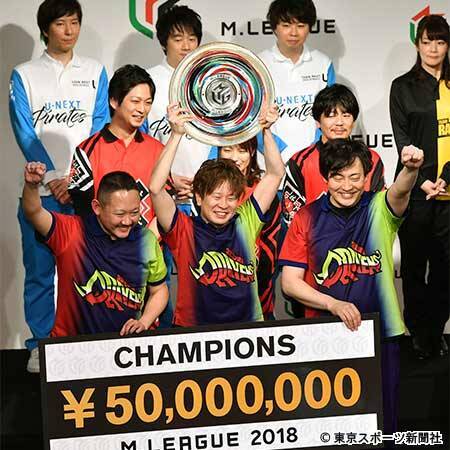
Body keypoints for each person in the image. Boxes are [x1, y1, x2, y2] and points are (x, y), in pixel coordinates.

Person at [280, 138, 424, 436]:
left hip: (381, 333)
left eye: (355, 177)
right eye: (338, 177)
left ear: (367, 177)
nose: (346, 186)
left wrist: (411, 169)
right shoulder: (306, 216)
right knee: (329, 424)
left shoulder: (380, 207)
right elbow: (290, 283)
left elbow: (400, 191)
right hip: (323, 336)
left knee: (382, 421)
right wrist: (333, 304)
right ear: (326, 177)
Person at [9, 0, 109, 372]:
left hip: (84, 192)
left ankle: (83, 340)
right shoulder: (24, 74)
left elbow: (100, 126)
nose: (69, 31)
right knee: (39, 271)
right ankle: (42, 344)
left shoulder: (96, 71)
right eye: (61, 23)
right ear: (46, 29)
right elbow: (24, 130)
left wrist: (77, 178)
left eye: (75, 23)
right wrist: (53, 177)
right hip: (42, 193)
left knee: (87, 270)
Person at [149, 104, 285, 326]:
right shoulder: (183, 230)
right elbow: (155, 188)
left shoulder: (246, 220)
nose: (223, 205)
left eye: (231, 198)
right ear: (199, 197)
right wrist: (176, 135)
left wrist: (266, 130)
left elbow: (275, 173)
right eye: (216, 196)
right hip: (194, 336)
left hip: (248, 332)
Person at [23, 165, 168, 340]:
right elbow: (34, 212)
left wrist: (144, 322)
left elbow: (159, 290)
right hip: (71, 347)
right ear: (97, 207)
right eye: (120, 214)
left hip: (127, 347)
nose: (127, 221)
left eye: (134, 212)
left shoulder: (146, 240)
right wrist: (31, 186)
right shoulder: (72, 232)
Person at [389, 14, 450, 359]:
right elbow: (403, 140)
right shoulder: (402, 87)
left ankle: (435, 331)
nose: (433, 49)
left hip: (449, 193)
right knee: (413, 267)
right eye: (427, 42)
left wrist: (446, 178)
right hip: (416, 190)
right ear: (418, 44)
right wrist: (424, 179)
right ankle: (417, 333)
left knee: (445, 269)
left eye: (440, 42)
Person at [68, 64, 162, 231]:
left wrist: (147, 242)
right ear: (114, 101)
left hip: (149, 244)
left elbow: (165, 207)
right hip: (100, 245)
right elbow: (82, 212)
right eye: (135, 101)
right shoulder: (86, 151)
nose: (142, 109)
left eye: (148, 103)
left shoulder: (158, 150)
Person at [282, 84, 385, 228]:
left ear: (354, 120)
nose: (339, 122)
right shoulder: (300, 162)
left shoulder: (371, 158)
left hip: (361, 239)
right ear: (318, 121)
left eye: (346, 115)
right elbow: (292, 218)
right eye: (331, 115)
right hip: (314, 239)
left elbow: (380, 210)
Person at [145, 5, 209, 213]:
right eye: (178, 39)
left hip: (210, 192)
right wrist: (169, 178)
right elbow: (139, 142)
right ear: (164, 42)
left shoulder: (212, 79)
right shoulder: (148, 81)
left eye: (192, 38)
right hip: (162, 193)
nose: (186, 46)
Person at [213, 138, 282, 319]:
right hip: (215, 289)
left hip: (255, 287)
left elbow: (269, 250)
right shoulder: (207, 192)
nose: (235, 157)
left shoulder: (263, 192)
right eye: (227, 150)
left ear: (252, 152)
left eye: (242, 150)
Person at [258, 0, 335, 163]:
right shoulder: (258, 64)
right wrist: (279, 150)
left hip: (315, 160)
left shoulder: (323, 63)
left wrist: (312, 153)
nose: (293, 33)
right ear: (275, 27)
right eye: (286, 25)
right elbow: (252, 120)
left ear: (310, 27)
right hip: (271, 162)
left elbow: (330, 116)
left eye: (300, 26)